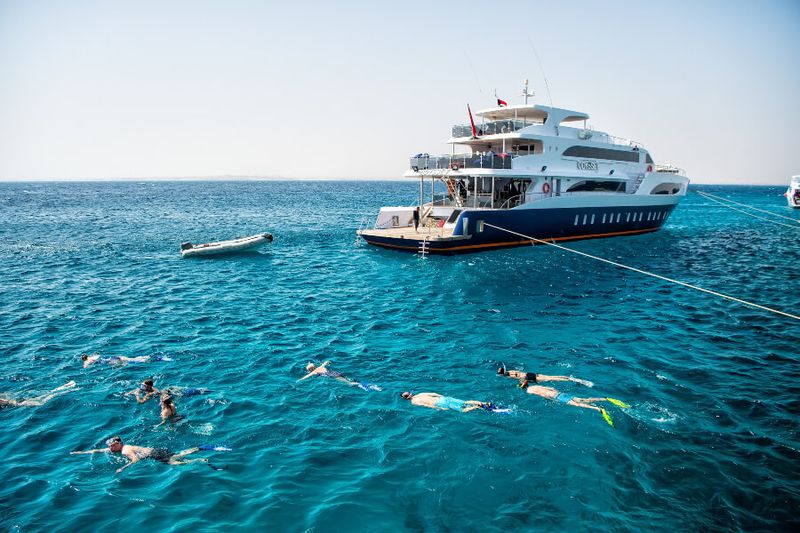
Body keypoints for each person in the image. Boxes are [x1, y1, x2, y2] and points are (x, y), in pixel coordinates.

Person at [70, 436, 211, 474]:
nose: (110, 448)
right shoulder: (119, 448)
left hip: (155, 454)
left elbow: (135, 459)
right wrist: (82, 452)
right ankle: (198, 448)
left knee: (174, 462)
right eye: (109, 446)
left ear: (119, 444)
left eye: (112, 446)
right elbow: (99, 450)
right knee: (177, 455)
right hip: (155, 451)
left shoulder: (125, 450)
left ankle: (198, 460)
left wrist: (122, 468)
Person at [520, 380, 628, 426]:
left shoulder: (530, 391)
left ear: (523, 388)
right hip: (560, 393)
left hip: (557, 397)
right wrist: (557, 394)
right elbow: (551, 388)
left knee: (578, 405)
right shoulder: (535, 386)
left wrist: (550, 401)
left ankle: (599, 409)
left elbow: (542, 395)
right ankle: (605, 399)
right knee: (582, 400)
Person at [299, 361, 381, 391]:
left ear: (310, 370)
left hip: (332, 376)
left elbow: (307, 376)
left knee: (349, 384)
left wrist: (299, 380)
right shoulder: (320, 366)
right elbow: (326, 362)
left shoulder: (314, 372)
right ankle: (362, 384)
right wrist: (329, 362)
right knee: (350, 379)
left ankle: (367, 385)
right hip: (336, 372)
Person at [497, 365, 593, 387]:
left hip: (530, 377)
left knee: (553, 379)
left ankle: (573, 380)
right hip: (531, 374)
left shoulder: (509, 376)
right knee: (552, 377)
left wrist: (522, 385)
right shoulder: (511, 371)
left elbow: (523, 379)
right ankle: (570, 378)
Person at [1, 381, 77, 408]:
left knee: (43, 402)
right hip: (18, 400)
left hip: (19, 403)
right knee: (48, 394)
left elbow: (4, 401)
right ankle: (68, 386)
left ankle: (69, 389)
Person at [400, 391, 493, 412]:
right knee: (465, 402)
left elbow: (426, 405)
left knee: (462, 410)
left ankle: (477, 407)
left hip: (440, 403)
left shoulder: (414, 402)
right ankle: (484, 403)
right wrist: (443, 396)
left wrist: (439, 408)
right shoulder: (420, 394)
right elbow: (433, 393)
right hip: (443, 398)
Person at [81, 353, 171, 368]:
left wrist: (84, 365)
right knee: (134, 359)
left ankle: (158, 359)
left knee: (137, 362)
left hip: (111, 361)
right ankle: (155, 357)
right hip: (115, 357)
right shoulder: (94, 355)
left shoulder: (87, 361)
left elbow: (85, 367)